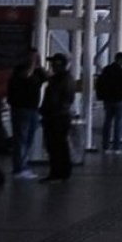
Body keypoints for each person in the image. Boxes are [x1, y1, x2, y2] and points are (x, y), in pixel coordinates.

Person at [6, 48, 46, 180]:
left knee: (28, 138)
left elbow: (47, 77)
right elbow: (25, 76)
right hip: (21, 108)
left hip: (33, 108)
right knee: (21, 139)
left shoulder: (37, 72)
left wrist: (39, 65)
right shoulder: (19, 71)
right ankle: (19, 168)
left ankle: (23, 164)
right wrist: (32, 64)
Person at [39, 53, 76, 183]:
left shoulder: (58, 80)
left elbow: (53, 99)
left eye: (53, 64)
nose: (51, 66)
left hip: (55, 117)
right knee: (61, 145)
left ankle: (56, 173)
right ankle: (64, 172)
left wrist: (44, 111)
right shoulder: (69, 78)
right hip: (63, 116)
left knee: (54, 146)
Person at [96, 52, 122, 154]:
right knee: (118, 123)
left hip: (107, 99)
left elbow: (99, 83)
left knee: (107, 122)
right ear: (121, 60)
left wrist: (101, 96)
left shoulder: (106, 69)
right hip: (119, 99)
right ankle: (116, 147)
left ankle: (105, 146)